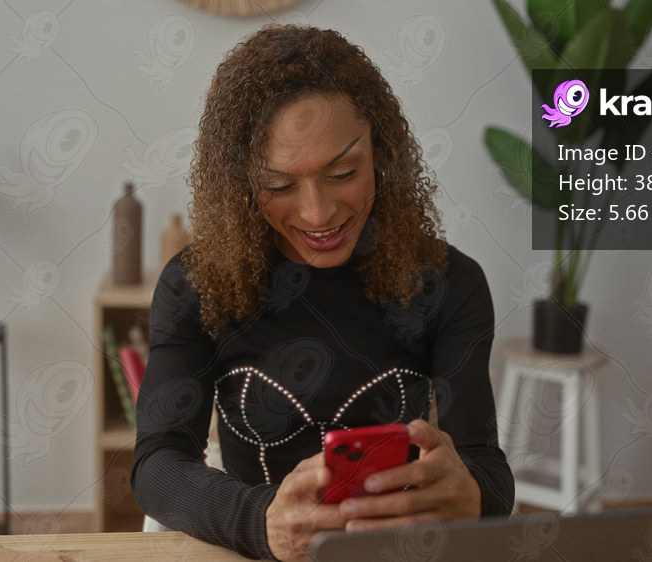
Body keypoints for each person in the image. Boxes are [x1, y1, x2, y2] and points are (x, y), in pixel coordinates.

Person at [131, 24, 515, 562]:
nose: (318, 214)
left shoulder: (450, 284)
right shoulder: (196, 284)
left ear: (381, 152)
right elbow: (157, 464)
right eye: (280, 185)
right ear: (242, 182)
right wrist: (263, 521)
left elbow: (487, 469)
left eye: (343, 172)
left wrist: (470, 493)